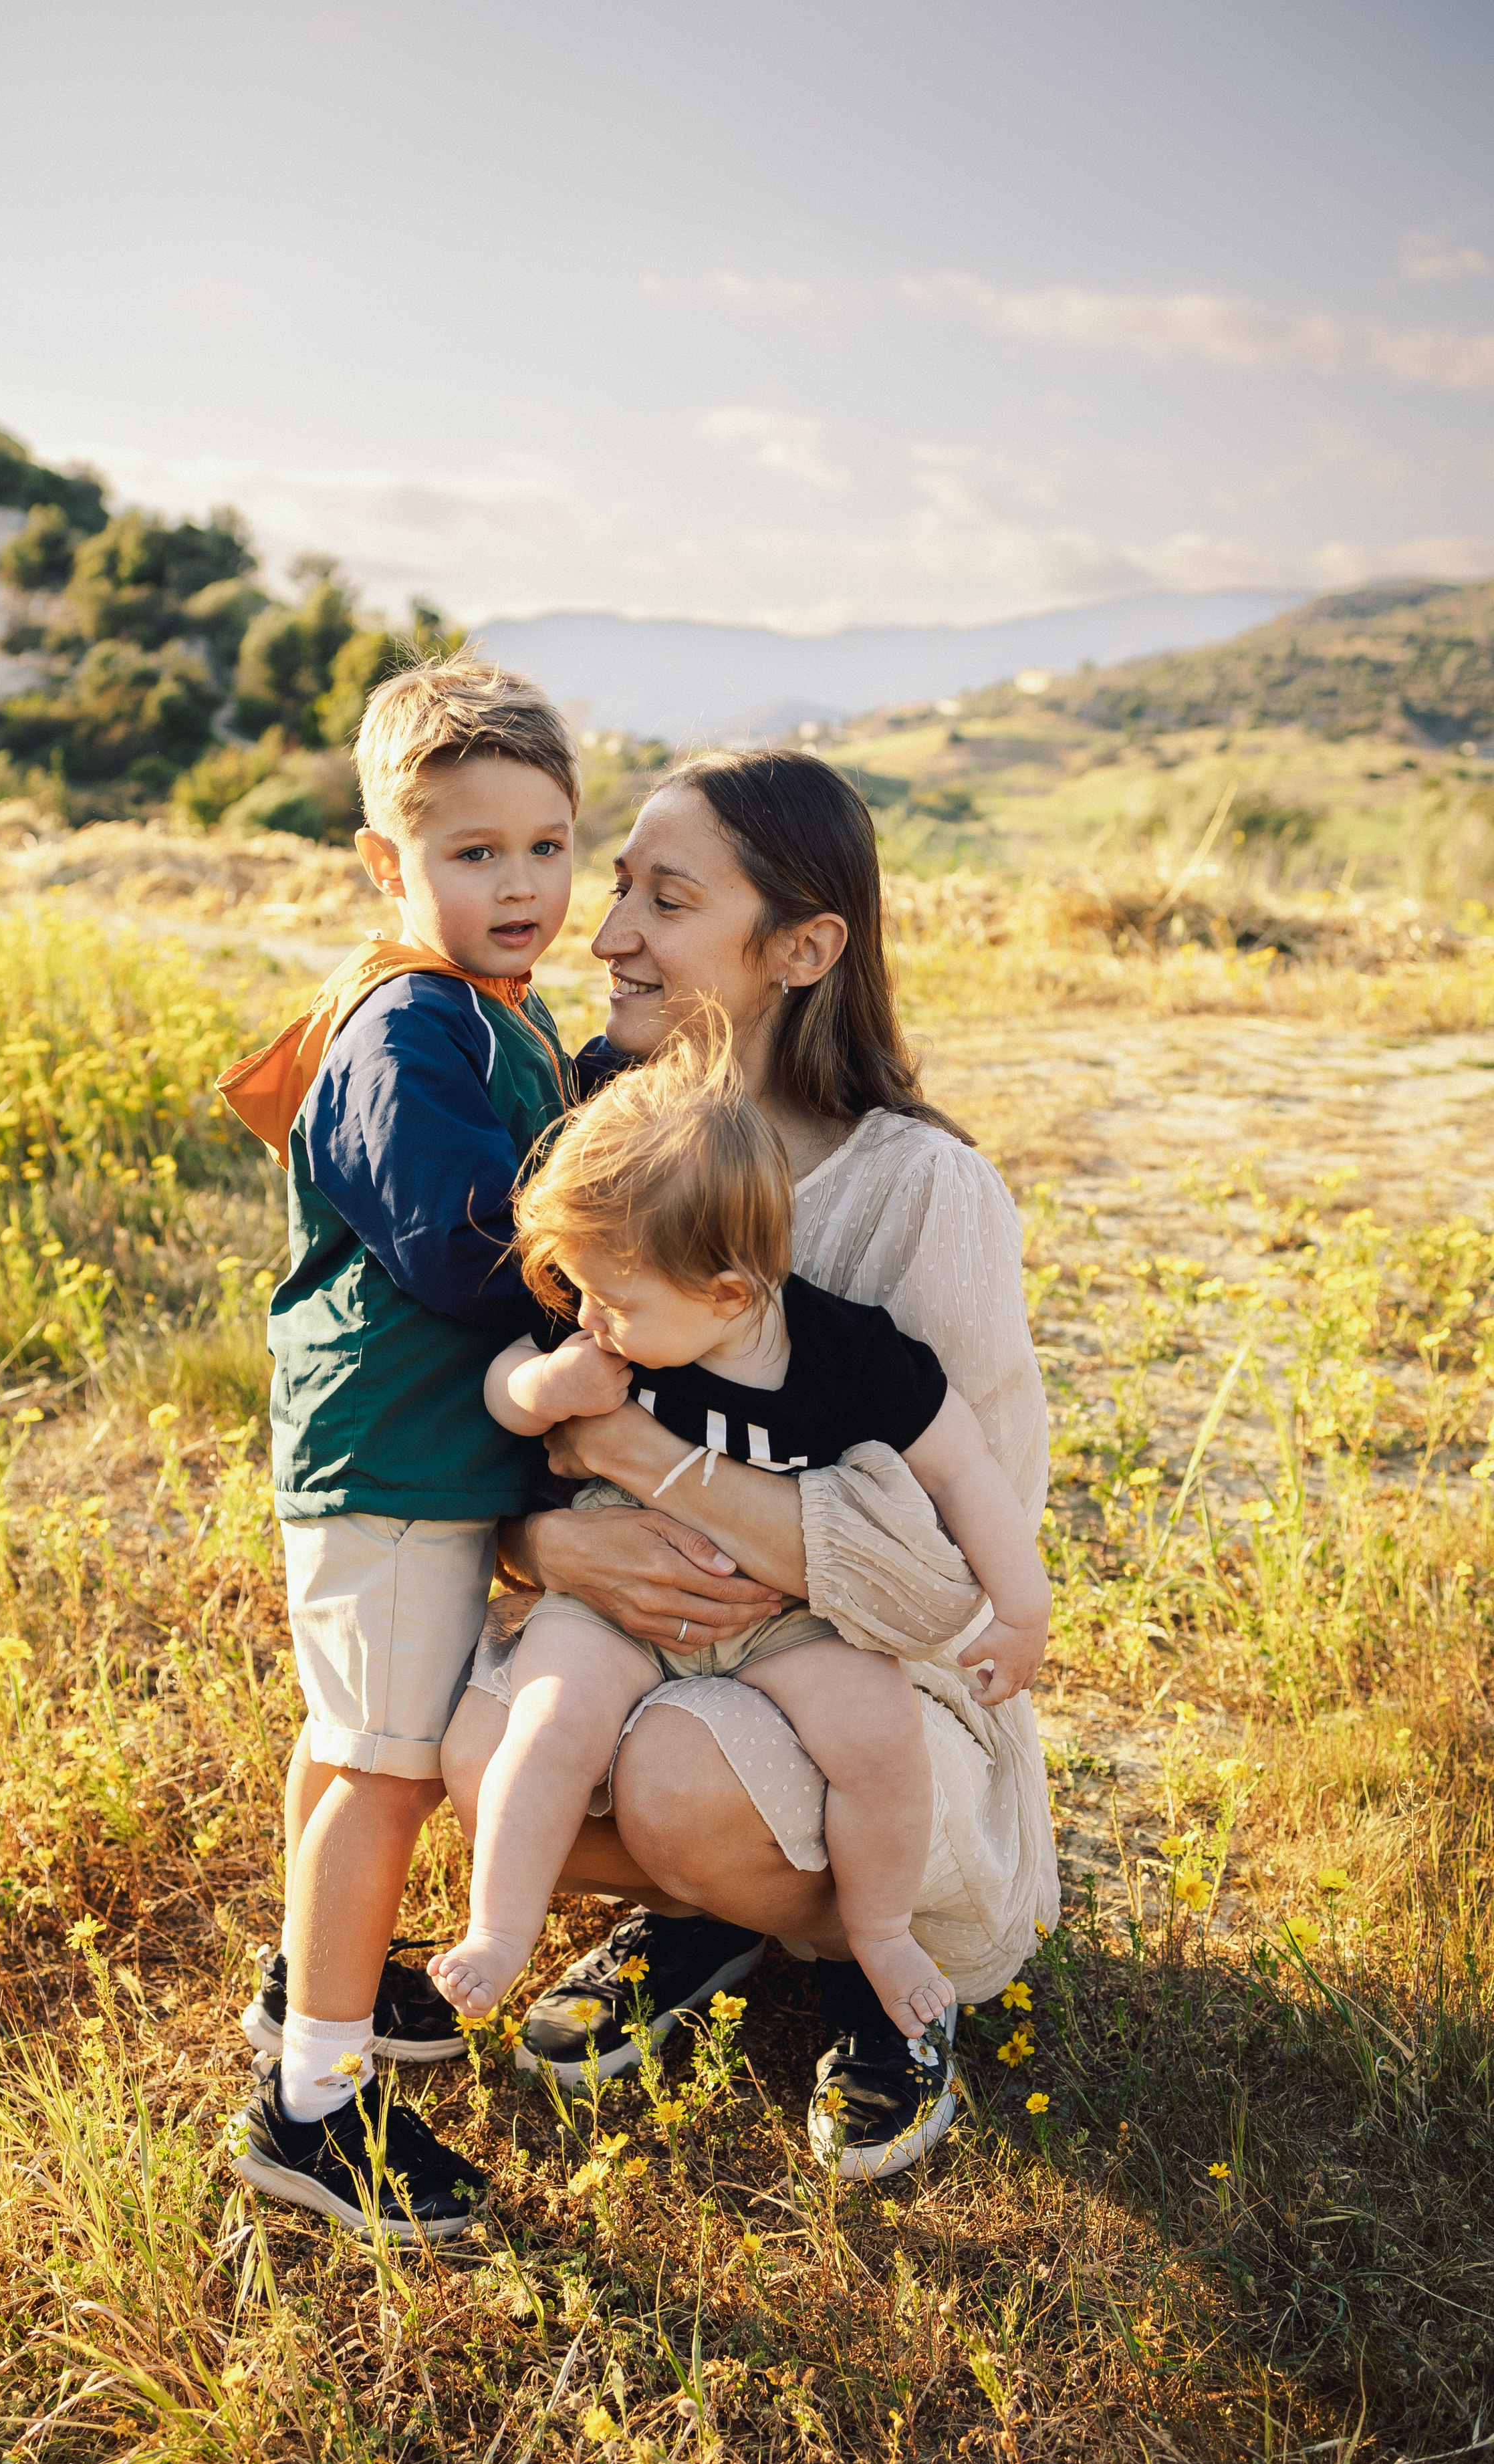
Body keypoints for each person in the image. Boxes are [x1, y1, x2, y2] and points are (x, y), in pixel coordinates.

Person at [440, 748, 1057, 2179]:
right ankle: (721, 1916)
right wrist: (536, 1546)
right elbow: (507, 1409)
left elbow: (944, 1580)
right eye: (618, 893)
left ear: (801, 946)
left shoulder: (920, 1192)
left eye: (665, 901)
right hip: (650, 1638)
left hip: (877, 1689)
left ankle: (874, 1980)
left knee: (670, 1776)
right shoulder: (600, 1132)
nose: (604, 940)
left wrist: (642, 1456)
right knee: (465, 1738)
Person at [428, 1017, 1051, 2041]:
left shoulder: (845, 1354)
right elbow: (505, 1390)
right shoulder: (608, 1324)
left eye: (609, 1301)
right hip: (620, 1602)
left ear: (730, 1291)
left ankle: (882, 1936)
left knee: (880, 1737)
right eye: (577, 1294)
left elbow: (964, 1468)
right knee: (547, 1725)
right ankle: (498, 1927)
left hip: (786, 1618)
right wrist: (546, 1385)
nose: (587, 1317)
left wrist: (1021, 1603)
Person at [219, 651, 582, 2237]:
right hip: (388, 1462)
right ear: (390, 862)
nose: (520, 885)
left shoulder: (498, 1007)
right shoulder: (405, 1029)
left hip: (419, 1458)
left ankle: (316, 1969)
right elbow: (454, 1247)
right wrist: (618, 1292)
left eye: (548, 846)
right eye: (472, 852)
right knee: (384, 1768)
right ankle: (309, 2109)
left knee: (347, 1739)